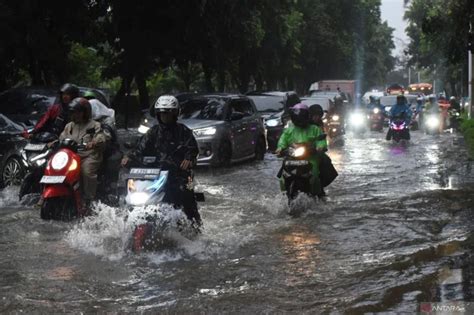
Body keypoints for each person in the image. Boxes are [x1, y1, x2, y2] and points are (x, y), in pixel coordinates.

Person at [121, 95, 201, 225]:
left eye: (168, 113)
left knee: (186, 193)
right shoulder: (153, 132)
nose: (165, 116)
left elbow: (192, 149)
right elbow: (140, 148)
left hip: (179, 174)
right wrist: (129, 157)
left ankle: (195, 226)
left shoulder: (183, 131)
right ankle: (125, 222)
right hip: (155, 173)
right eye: (162, 113)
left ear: (175, 114)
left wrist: (188, 159)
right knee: (129, 189)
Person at [59, 97, 108, 212]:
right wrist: (53, 142)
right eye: (72, 112)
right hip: (71, 156)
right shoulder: (69, 126)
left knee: (87, 171)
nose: (74, 115)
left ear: (85, 112)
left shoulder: (95, 125)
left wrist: (94, 142)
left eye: (77, 112)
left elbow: (101, 137)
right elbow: (61, 137)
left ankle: (89, 200)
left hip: (89, 155)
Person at [276, 103, 327, 197]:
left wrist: (320, 147)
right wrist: (280, 149)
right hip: (292, 158)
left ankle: (317, 193)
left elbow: (321, 141)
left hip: (310, 158)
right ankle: (284, 193)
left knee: (315, 175)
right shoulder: (289, 130)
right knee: (282, 176)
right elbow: (282, 141)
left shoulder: (314, 129)